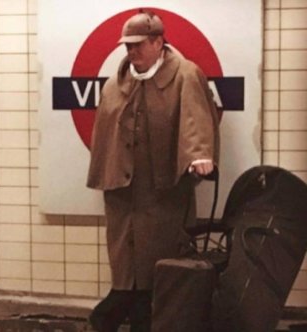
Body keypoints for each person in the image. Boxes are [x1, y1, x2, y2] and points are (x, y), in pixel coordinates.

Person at [86, 10, 219, 332]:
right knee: (127, 272)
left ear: (159, 42)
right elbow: (106, 131)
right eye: (127, 46)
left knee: (156, 271)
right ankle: (116, 319)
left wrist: (198, 154)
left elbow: (195, 118)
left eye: (138, 45)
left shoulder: (185, 74)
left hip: (162, 193)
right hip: (123, 193)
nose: (131, 52)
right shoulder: (117, 82)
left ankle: (113, 320)